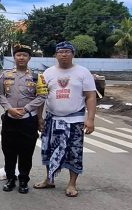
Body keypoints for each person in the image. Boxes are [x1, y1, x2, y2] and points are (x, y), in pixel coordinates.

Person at [35, 41, 97, 197]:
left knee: (74, 153)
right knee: (48, 150)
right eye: (60, 51)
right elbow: (41, 97)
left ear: (73, 54)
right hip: (52, 119)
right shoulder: (47, 73)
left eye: (67, 51)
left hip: (75, 120)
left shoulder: (83, 72)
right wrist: (39, 118)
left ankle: (72, 184)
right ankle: (49, 179)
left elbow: (90, 96)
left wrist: (90, 119)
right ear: (55, 55)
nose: (64, 54)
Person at [0, 44, 47, 194]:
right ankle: (11, 179)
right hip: (10, 119)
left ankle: (24, 180)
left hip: (28, 120)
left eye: (24, 55)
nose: (21, 58)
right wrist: (9, 109)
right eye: (18, 55)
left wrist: (26, 109)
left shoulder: (38, 77)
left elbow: (42, 96)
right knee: (9, 151)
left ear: (29, 58)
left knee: (26, 152)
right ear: (14, 57)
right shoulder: (5, 75)